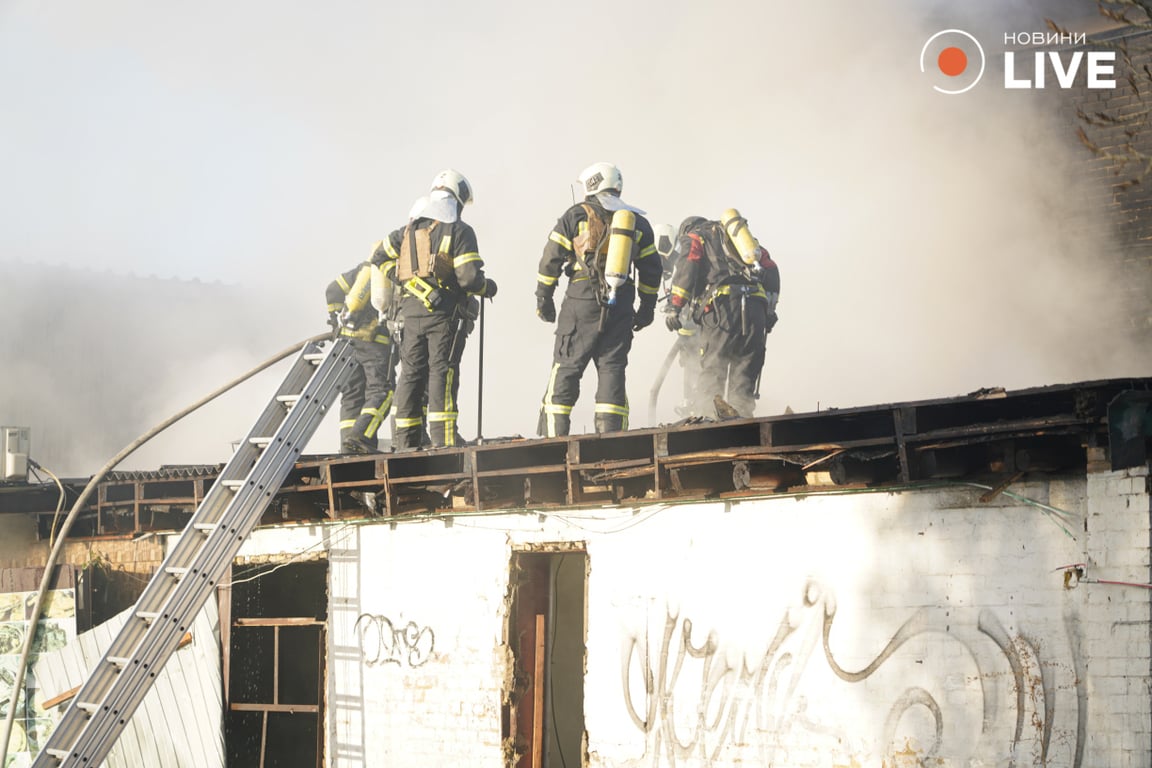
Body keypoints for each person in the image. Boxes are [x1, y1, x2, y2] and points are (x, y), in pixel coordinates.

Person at [534, 162, 662, 436]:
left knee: (567, 366)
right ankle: (613, 441)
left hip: (582, 300)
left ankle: (555, 442)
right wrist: (646, 309)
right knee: (612, 369)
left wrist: (544, 300)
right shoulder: (637, 222)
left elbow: (550, 261)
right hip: (621, 303)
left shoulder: (575, 215)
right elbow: (652, 270)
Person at [378, 169, 497, 450]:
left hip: (409, 315)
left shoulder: (407, 230)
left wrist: (404, 280)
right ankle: (444, 440)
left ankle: (405, 441)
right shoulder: (459, 230)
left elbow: (379, 257)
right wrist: (487, 287)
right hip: (444, 316)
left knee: (410, 374)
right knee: (441, 372)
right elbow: (468, 278)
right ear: (456, 199)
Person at [663, 212, 780, 419]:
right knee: (745, 374)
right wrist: (769, 312)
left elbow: (688, 266)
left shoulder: (695, 237)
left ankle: (709, 424)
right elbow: (770, 269)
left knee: (713, 370)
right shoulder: (738, 241)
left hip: (722, 311)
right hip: (755, 311)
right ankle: (742, 423)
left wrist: (675, 306)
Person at [325, 246, 398, 454]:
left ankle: (348, 449)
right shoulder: (394, 273)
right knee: (383, 393)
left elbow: (332, 290)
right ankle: (361, 437)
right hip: (375, 344)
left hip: (346, 343)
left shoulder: (362, 271)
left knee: (352, 397)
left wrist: (336, 321)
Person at [655, 223, 704, 417]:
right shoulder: (682, 254)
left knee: (700, 361)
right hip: (691, 327)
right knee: (691, 361)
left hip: (700, 323)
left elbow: (686, 284)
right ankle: (692, 401)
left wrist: (675, 307)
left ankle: (700, 403)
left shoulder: (683, 254)